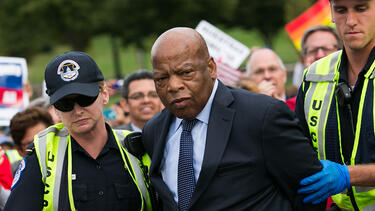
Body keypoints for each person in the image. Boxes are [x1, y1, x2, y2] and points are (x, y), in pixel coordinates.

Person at [142, 27, 325, 210]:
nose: (173, 86)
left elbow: (313, 191)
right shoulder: (153, 131)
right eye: (161, 79)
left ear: (211, 68)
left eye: (185, 72)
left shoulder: (263, 116)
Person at [5, 51, 152, 211]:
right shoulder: (42, 155)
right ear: (55, 110)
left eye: (85, 98)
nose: (77, 110)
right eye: (65, 104)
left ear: (104, 94)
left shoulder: (137, 147)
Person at [296, 0, 375, 210]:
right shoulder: (314, 75)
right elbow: (300, 152)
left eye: (361, 8)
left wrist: (348, 175)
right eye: (341, 10)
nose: (350, 21)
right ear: (331, 11)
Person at [8, 106, 54, 174]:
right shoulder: (12, 177)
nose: (41, 147)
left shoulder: (70, 164)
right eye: (32, 144)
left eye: (44, 139)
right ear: (19, 150)